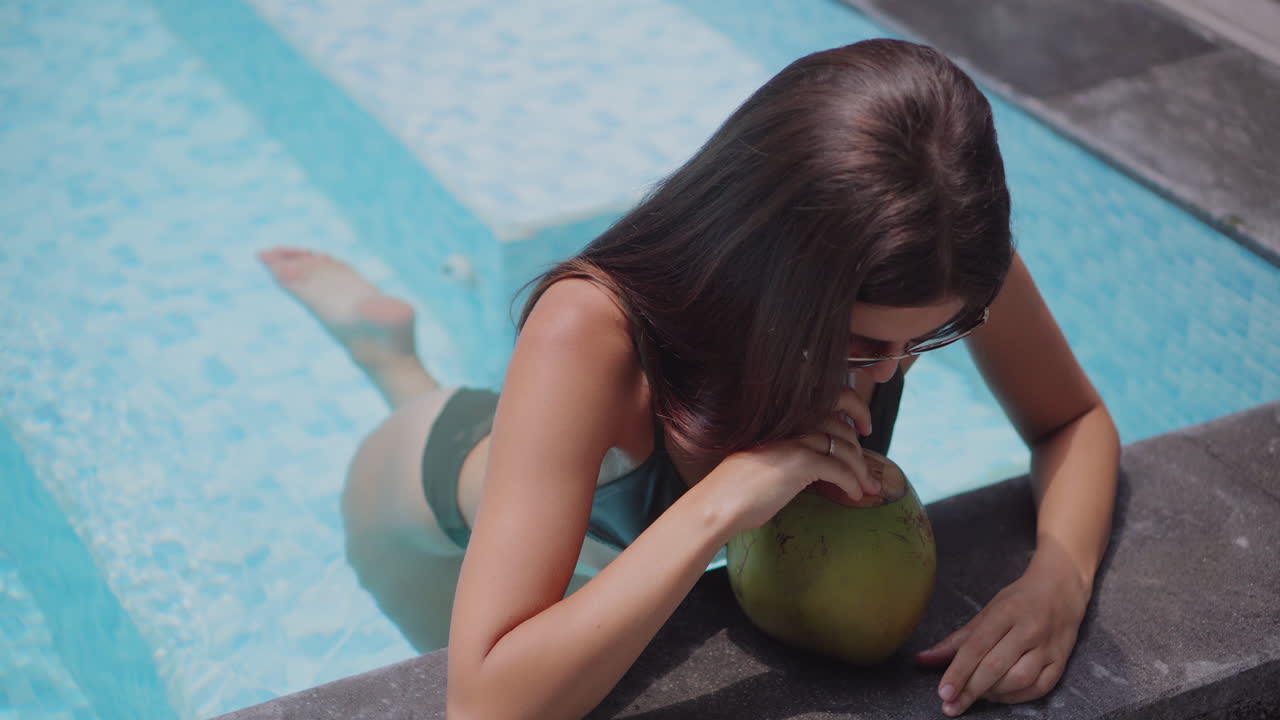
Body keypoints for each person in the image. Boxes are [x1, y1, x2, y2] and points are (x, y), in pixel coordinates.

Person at [259, 38, 1119, 719]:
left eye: (925, 341)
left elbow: (1071, 420)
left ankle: (396, 355)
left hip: (555, 468)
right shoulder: (589, 330)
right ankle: (390, 358)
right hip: (423, 501)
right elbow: (485, 704)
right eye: (858, 342)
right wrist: (726, 500)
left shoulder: (932, 262)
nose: (890, 372)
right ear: (773, 274)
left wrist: (1060, 576)